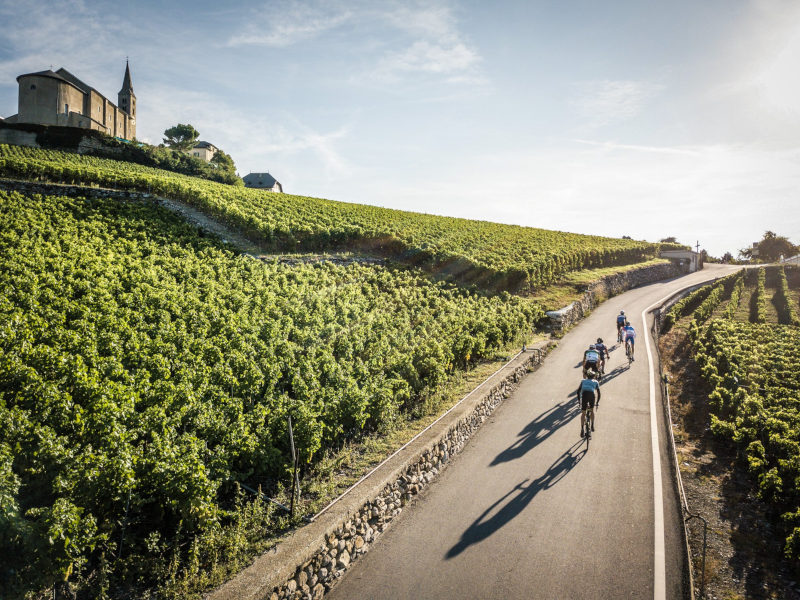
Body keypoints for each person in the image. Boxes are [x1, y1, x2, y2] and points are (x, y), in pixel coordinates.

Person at [577, 371, 601, 438]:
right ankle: (592, 425)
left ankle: (582, 429)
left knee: (583, 413)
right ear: (593, 376)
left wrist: (579, 401)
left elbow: (578, 391)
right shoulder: (596, 382)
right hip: (591, 396)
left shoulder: (583, 381)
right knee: (592, 411)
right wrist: (597, 402)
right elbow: (599, 393)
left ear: (587, 376)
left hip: (584, 395)